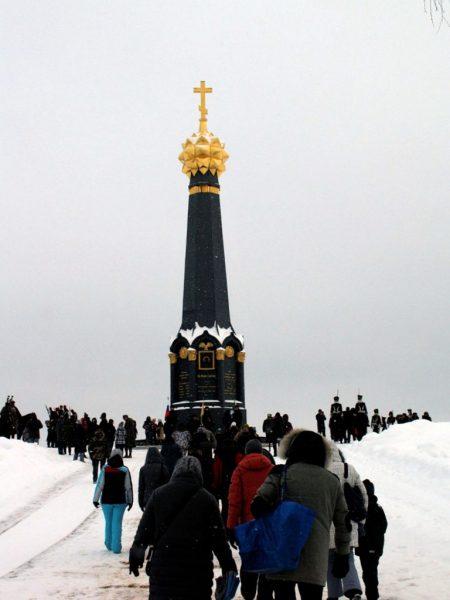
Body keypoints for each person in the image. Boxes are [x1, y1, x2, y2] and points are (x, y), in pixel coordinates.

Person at [251, 430, 351, 600]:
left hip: (283, 552)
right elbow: (343, 523)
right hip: (315, 556)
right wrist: (343, 554)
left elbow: (257, 504)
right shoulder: (332, 481)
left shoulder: (280, 474)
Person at [129, 456, 237, 599]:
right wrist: (228, 565)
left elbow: (144, 530)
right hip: (197, 571)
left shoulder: (159, 495)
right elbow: (219, 540)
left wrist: (136, 554)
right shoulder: (207, 499)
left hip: (164, 570)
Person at [227, 440, 274, 600]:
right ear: (261, 451)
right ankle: (264, 594)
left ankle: (248, 593)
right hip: (267, 525)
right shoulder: (271, 469)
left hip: (247, 526)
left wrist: (231, 527)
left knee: (249, 561)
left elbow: (234, 502)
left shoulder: (239, 471)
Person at [326, 445, 368, 600]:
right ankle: (353, 590)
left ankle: (334, 594)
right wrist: (361, 520)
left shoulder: (321, 470)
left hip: (328, 522)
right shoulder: (349, 469)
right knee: (347, 556)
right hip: (349, 521)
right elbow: (363, 495)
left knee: (330, 560)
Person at [93, 449, 133, 554]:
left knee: (108, 522)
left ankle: (108, 544)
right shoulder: (124, 470)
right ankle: (116, 547)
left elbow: (100, 485)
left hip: (106, 500)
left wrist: (95, 499)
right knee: (117, 523)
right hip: (120, 501)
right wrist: (130, 501)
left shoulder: (105, 469)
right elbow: (128, 487)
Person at [356, 479, 388, 600]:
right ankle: (372, 594)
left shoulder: (363, 507)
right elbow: (384, 526)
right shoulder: (377, 508)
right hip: (376, 547)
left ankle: (372, 595)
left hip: (366, 547)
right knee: (371, 571)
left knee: (368, 572)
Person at [138, 447, 170, 511]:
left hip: (147, 499)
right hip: (160, 497)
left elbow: (141, 487)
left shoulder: (143, 469)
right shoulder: (163, 468)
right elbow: (168, 485)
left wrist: (140, 502)